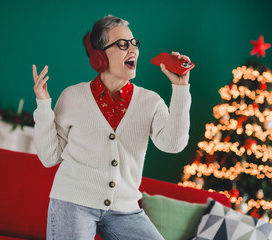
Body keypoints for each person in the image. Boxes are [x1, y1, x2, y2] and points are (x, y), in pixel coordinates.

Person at [32, 15, 192, 240]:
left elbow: (173, 145)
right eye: (122, 44)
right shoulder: (72, 96)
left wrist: (180, 89)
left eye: (134, 43)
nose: (133, 49)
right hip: (73, 201)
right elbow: (50, 157)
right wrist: (43, 105)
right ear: (99, 57)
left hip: (124, 210)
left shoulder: (150, 102)